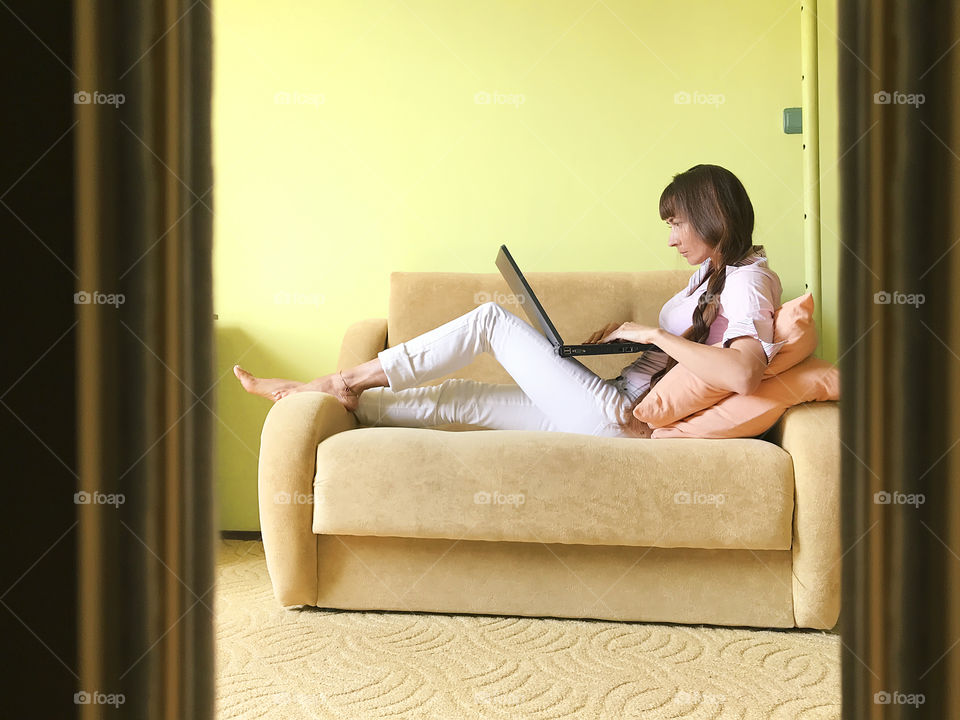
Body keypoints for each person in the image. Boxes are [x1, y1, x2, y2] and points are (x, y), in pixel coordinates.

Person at [235, 164, 786, 440]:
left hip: (618, 419)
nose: (671, 239)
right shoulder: (710, 277)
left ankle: (343, 381)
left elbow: (743, 375)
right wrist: (621, 342)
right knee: (457, 398)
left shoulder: (748, 280)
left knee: (491, 320)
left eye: (677, 224)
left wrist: (650, 334)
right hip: (605, 403)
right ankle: (321, 404)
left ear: (713, 215)